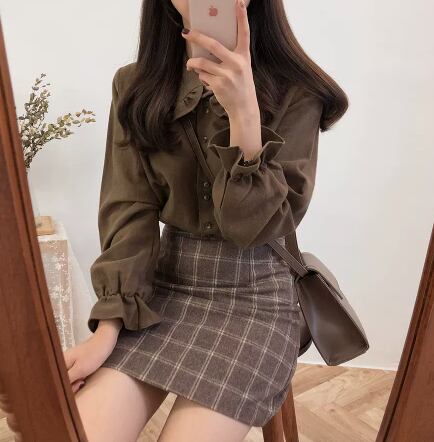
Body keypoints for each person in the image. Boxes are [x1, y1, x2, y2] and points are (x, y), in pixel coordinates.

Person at [64, 0, 348, 440]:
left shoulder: (298, 91)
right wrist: (108, 327)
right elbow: (129, 208)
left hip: (256, 297)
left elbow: (250, 228)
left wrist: (244, 116)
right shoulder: (136, 86)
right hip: (162, 291)